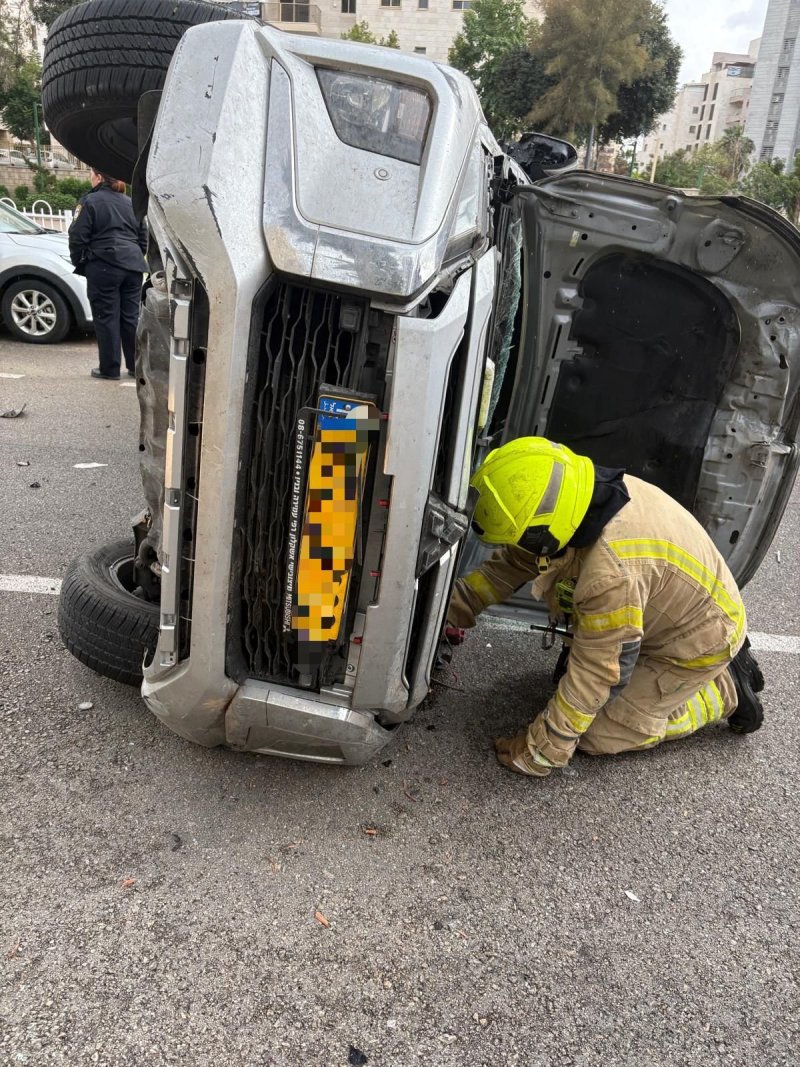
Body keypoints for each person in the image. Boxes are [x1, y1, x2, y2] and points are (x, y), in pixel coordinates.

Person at [448, 437, 765, 777]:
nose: (519, 548)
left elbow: (599, 671)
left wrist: (541, 751)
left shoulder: (610, 574)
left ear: (543, 533)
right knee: (575, 692)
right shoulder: (573, 495)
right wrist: (452, 610)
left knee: (596, 734)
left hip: (697, 643)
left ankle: (723, 688)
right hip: (667, 614)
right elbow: (511, 564)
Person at [68, 168, 148, 380]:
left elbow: (77, 236)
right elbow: (143, 237)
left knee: (106, 317)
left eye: (91, 174)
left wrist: (81, 262)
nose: (90, 178)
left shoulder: (90, 201)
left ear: (99, 177)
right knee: (130, 317)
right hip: (133, 267)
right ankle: (135, 367)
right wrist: (133, 256)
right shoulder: (132, 203)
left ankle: (110, 369)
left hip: (103, 265)